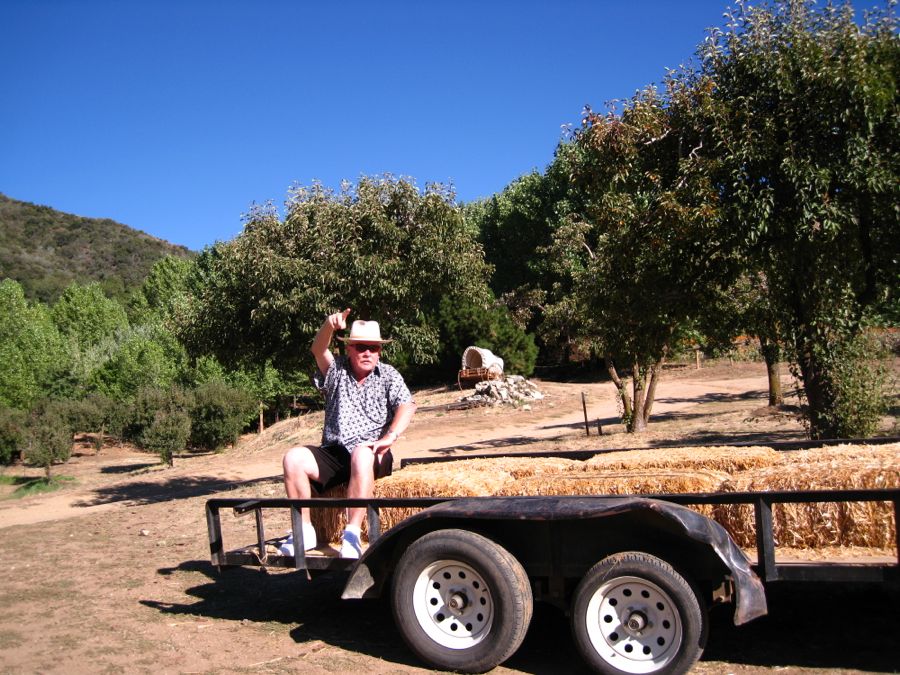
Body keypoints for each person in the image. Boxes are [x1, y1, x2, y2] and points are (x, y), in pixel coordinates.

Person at [280, 309, 417, 559]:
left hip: (372, 452)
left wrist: (390, 436)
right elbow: (318, 349)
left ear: (379, 351)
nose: (367, 352)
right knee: (293, 459)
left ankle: (352, 534)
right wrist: (328, 326)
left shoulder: (388, 374)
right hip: (335, 452)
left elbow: (406, 405)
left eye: (373, 348)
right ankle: (304, 530)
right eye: (361, 347)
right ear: (350, 348)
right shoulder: (336, 370)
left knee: (361, 455)